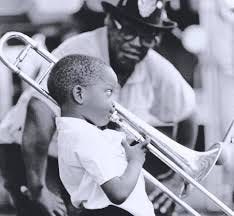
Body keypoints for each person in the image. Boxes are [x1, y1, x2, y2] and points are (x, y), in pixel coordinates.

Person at [0, 0, 197, 216]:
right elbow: (38, 111)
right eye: (129, 31)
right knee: (54, 211)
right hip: (32, 149)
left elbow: (188, 113)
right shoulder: (78, 52)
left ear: (156, 40)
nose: (136, 42)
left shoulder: (156, 67)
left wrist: (177, 178)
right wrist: (38, 190)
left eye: (147, 36)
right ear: (111, 22)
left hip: (87, 156)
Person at [48, 54, 154, 216]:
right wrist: (135, 161)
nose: (114, 104)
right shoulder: (86, 137)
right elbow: (118, 193)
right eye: (108, 92)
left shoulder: (74, 134)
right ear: (79, 94)